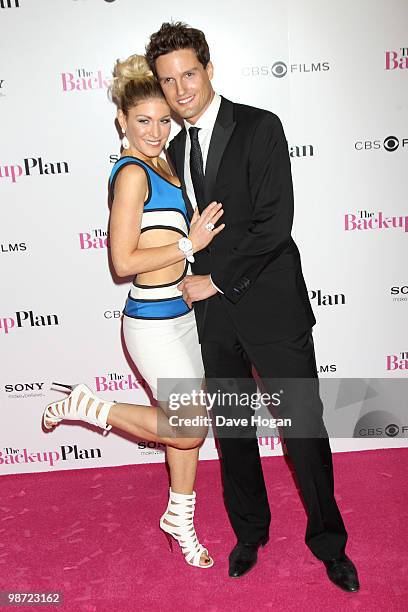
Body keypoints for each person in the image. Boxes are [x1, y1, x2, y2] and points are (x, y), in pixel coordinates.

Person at [144, 22, 360, 591]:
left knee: (304, 430)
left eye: (189, 73)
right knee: (234, 433)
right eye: (168, 81)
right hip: (215, 321)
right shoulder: (169, 150)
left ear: (210, 70)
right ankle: (250, 532)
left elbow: (274, 223)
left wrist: (214, 280)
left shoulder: (261, 127)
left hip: (269, 305)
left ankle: (329, 543)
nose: (181, 88)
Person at [42, 53, 226, 569]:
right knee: (188, 428)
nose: (155, 130)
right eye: (142, 121)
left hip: (183, 315)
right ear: (121, 121)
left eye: (163, 119)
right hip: (151, 323)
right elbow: (123, 262)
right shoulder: (130, 175)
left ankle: (180, 518)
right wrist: (188, 246)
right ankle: (88, 405)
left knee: (186, 427)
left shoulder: (164, 165)